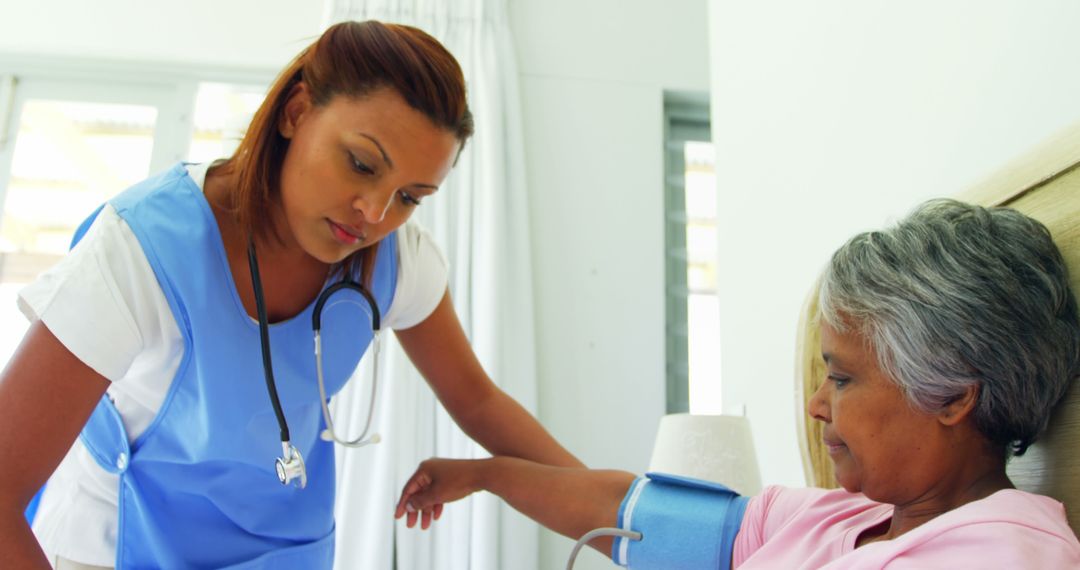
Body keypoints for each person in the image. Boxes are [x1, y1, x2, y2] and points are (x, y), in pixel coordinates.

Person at [0, 20, 582, 570]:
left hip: (284, 551)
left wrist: (619, 513)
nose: (376, 213)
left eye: (410, 197)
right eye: (361, 164)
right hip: (121, 544)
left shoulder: (397, 263)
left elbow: (479, 403)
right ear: (296, 111)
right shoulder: (139, 252)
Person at [395, 199, 1080, 568]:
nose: (815, 404)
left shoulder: (1006, 554)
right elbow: (644, 516)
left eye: (841, 378)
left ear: (955, 393)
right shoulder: (837, 519)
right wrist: (489, 476)